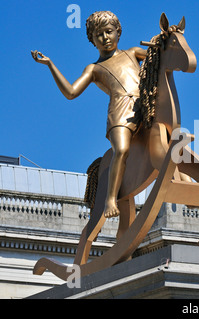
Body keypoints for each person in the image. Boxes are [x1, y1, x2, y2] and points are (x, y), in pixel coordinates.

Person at [31, 11, 148, 218]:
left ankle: (185, 186)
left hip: (144, 107)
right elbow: (71, 92)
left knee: (169, 138)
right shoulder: (94, 69)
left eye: (109, 32)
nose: (105, 38)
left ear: (118, 32)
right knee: (121, 150)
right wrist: (50, 65)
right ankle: (110, 199)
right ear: (92, 41)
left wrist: (168, 37)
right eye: (99, 35)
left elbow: (161, 58)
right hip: (120, 112)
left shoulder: (134, 52)